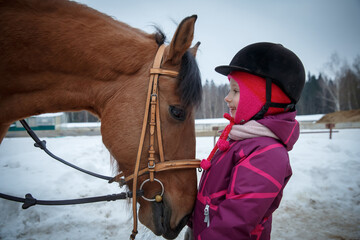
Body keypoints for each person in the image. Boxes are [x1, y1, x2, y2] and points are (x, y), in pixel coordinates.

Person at [186, 42, 305, 240]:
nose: (227, 98)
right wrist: (193, 225)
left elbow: (233, 225)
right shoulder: (239, 140)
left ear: (266, 97)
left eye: (236, 91)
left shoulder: (267, 154)